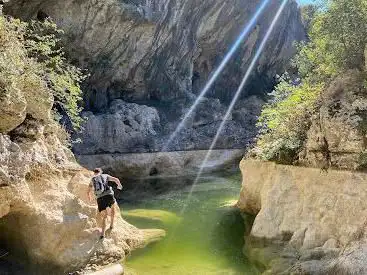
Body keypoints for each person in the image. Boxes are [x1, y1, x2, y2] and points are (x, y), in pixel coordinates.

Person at [88, 168, 123, 239]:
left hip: (99, 198)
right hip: (108, 195)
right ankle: (112, 224)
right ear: (100, 172)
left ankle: (102, 234)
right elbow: (116, 179)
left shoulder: (92, 180)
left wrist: (89, 197)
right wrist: (119, 185)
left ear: (94, 173)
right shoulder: (105, 175)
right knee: (113, 207)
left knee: (104, 216)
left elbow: (88, 191)